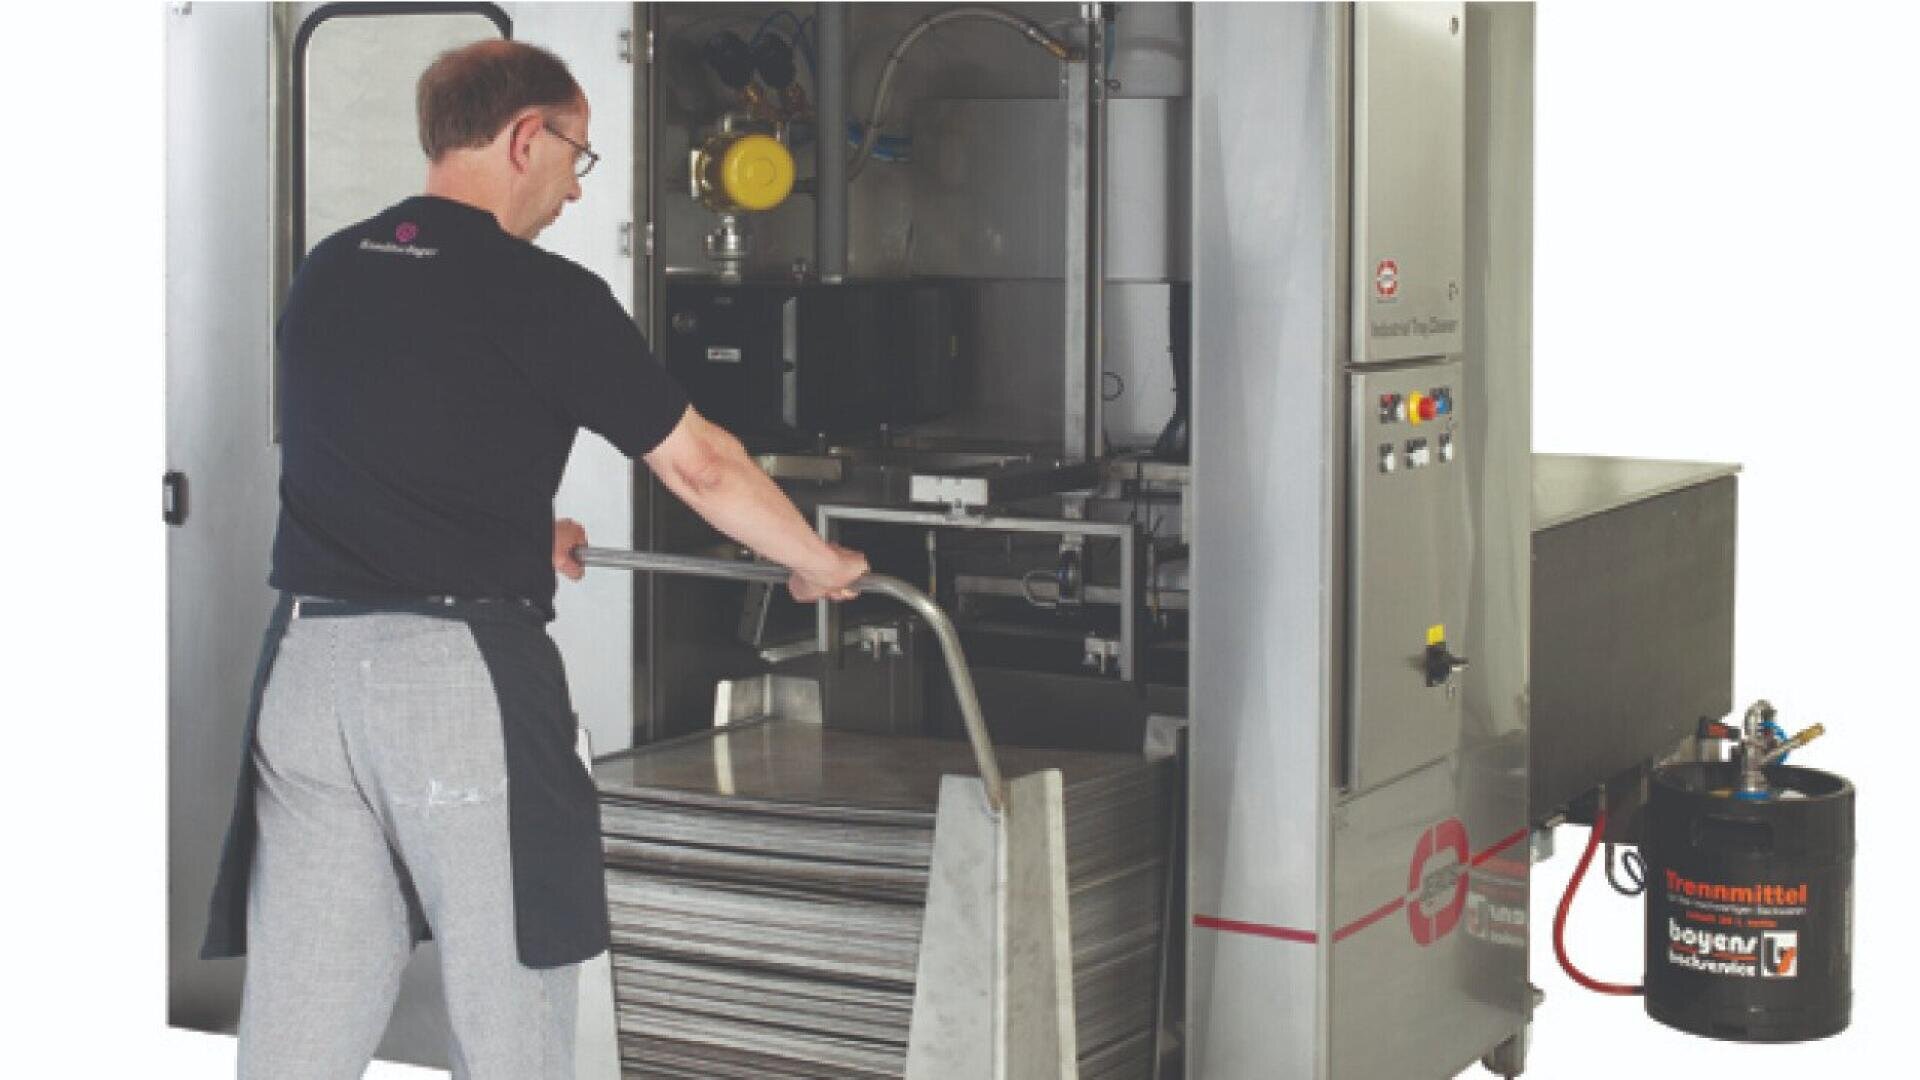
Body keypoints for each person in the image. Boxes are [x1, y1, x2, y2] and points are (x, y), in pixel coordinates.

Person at [199, 39, 868, 1079]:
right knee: (511, 1010)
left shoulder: (330, 268)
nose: (571, 186)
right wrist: (814, 559)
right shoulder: (543, 295)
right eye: (578, 154)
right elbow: (702, 467)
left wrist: (522, 534)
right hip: (451, 693)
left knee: (299, 1026)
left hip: (307, 681)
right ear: (526, 137)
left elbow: (379, 453)